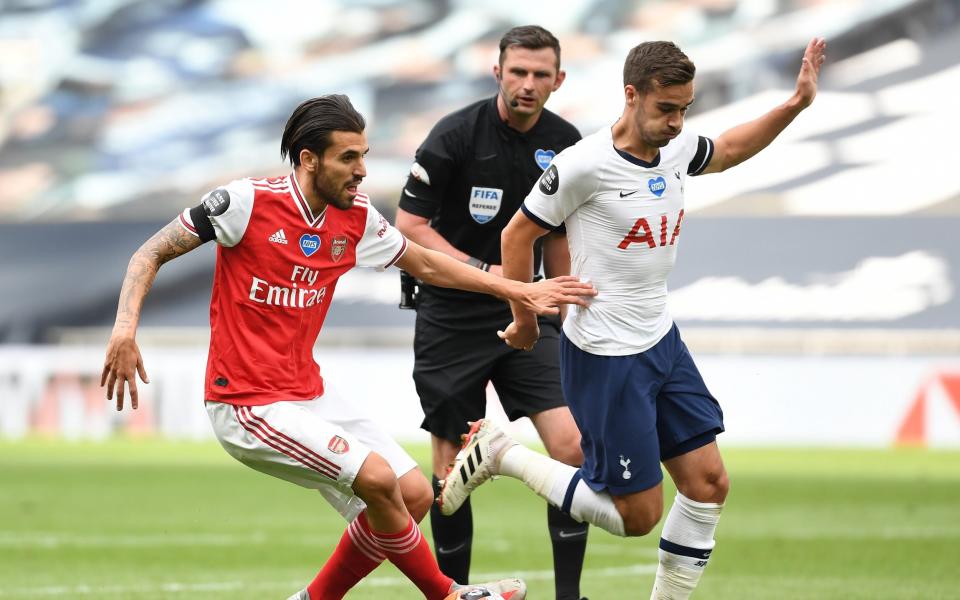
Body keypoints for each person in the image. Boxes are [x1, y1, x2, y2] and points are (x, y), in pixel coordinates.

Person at [100, 94, 596, 600]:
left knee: (415, 494)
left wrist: (516, 288)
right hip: (246, 402)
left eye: (363, 155)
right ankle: (446, 594)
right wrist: (124, 329)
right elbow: (152, 252)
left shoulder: (355, 217)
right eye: (348, 158)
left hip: (306, 392)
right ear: (309, 159)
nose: (362, 170)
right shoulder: (245, 203)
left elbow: (425, 264)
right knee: (379, 481)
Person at [440, 38, 828, 599]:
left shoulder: (674, 146)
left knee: (709, 483)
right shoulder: (584, 164)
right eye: (666, 109)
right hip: (606, 355)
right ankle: (505, 455)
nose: (676, 122)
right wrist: (525, 314)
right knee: (636, 516)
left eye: (684, 110)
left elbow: (727, 149)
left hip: (661, 340)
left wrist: (794, 106)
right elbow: (516, 233)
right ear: (631, 95)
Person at [395, 25, 589, 600]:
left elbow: (558, 232)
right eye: (518, 72)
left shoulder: (568, 141)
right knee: (452, 467)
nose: (528, 85)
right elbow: (410, 225)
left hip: (530, 309)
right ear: (497, 72)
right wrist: (490, 278)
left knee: (572, 446)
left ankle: (569, 597)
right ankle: (453, 593)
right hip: (451, 314)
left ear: (558, 80)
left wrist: (564, 297)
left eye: (540, 75)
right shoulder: (454, 136)